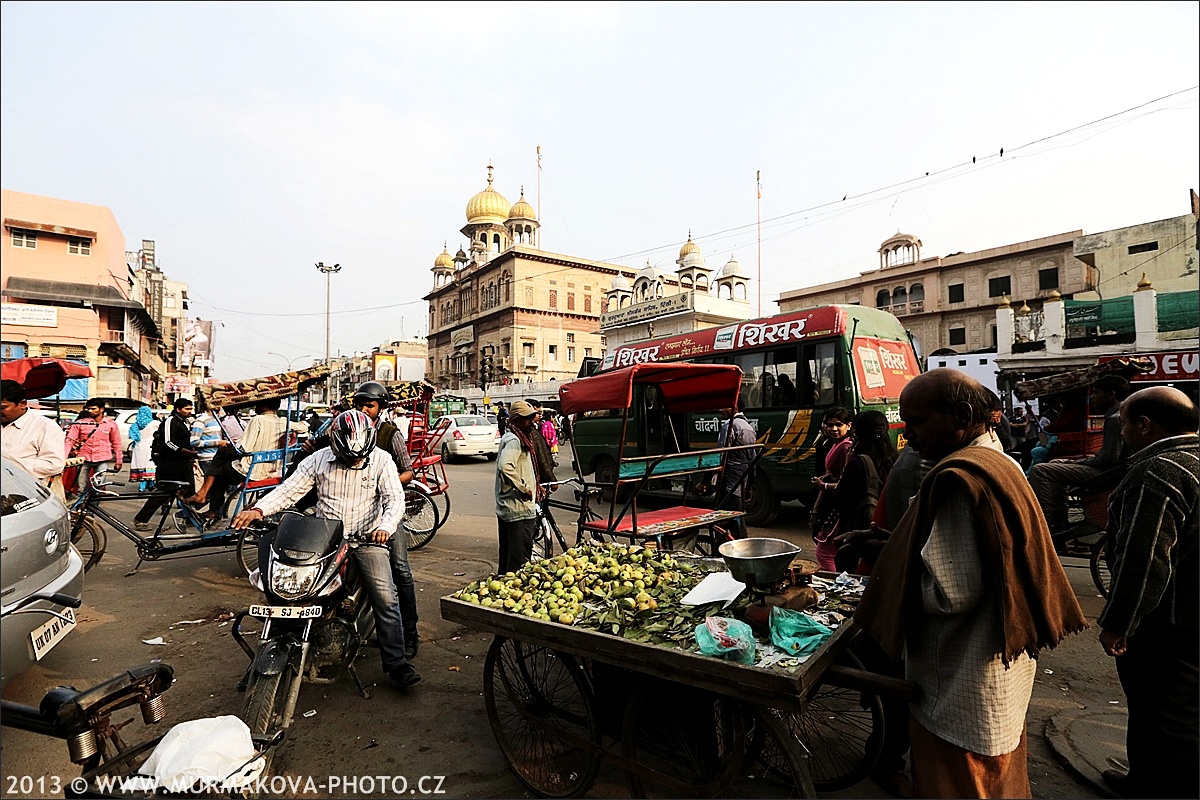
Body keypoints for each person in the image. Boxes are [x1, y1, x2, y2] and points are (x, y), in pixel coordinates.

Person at [853, 368, 1087, 798]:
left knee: (962, 782)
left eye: (918, 423)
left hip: (962, 679)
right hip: (998, 665)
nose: (910, 436)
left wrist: (891, 580)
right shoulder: (1000, 461)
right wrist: (888, 542)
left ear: (961, 416)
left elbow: (949, 593)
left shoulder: (959, 480)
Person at [231, 410, 420, 689]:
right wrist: (259, 509)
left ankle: (396, 663)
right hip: (325, 540)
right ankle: (264, 657)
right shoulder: (318, 460)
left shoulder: (381, 460)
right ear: (335, 445)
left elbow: (394, 500)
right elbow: (289, 491)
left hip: (366, 539)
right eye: (348, 457)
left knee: (386, 598)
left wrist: (385, 527)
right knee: (287, 594)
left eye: (359, 457)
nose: (355, 460)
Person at [1096, 386, 1198, 800]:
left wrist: (1118, 624)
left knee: (1164, 713)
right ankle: (1144, 778)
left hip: (1168, 621)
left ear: (1144, 425)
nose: (1121, 433)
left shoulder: (1158, 472)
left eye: (1123, 425)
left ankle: (1164, 788)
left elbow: (1144, 561)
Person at [1029, 375, 1131, 532]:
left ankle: (1045, 526)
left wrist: (1080, 462)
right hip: (1111, 468)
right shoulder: (1122, 413)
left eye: (1096, 393)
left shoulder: (1115, 419)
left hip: (1107, 473)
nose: (1092, 397)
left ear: (1111, 394)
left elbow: (1107, 459)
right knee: (1054, 464)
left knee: (1040, 470)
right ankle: (1060, 522)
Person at [187, 398, 288, 515]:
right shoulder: (283, 421)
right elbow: (303, 427)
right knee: (221, 467)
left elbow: (245, 448)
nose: (255, 408)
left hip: (252, 470)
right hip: (272, 469)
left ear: (264, 405)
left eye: (257, 404)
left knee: (220, 464)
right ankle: (207, 502)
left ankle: (205, 501)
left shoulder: (257, 420)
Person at [827, 409, 897, 573]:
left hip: (858, 533)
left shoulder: (857, 463)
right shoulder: (894, 459)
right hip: (885, 530)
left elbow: (839, 500)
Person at [133, 397, 197, 531]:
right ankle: (141, 519)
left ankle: (190, 518)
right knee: (164, 492)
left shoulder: (185, 422)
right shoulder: (171, 421)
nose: (189, 411)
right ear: (178, 409)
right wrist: (185, 452)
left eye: (191, 409)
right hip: (169, 462)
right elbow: (168, 442)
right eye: (187, 409)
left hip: (183, 462)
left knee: (189, 490)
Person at [495, 400, 541, 574]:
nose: (531, 422)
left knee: (508, 556)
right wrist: (524, 489)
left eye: (531, 418)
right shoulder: (515, 440)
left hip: (510, 508)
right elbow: (505, 466)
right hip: (518, 509)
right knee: (519, 561)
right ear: (515, 420)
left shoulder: (514, 437)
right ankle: (512, 592)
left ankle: (503, 590)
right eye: (526, 419)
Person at [809, 406, 854, 571]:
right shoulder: (833, 444)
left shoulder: (845, 447)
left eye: (838, 425)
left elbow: (846, 482)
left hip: (838, 505)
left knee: (824, 553)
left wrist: (824, 485)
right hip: (830, 501)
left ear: (848, 425)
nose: (833, 429)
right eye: (830, 425)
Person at [1, 379, 66, 492]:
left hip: (26, 495)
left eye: (2, 408)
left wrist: (10, 467)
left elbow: (54, 464)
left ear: (22, 404)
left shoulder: (45, 427)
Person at [715, 397, 757, 540]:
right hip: (741, 481)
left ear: (735, 407)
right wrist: (749, 485)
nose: (720, 410)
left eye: (723, 407)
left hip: (728, 482)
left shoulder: (730, 426)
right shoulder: (748, 427)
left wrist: (704, 481)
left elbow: (720, 456)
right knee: (736, 518)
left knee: (728, 521)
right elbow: (753, 460)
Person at [64, 398, 123, 496]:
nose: (90, 411)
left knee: (98, 487)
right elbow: (69, 441)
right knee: (80, 487)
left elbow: (117, 443)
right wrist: (64, 458)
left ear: (101, 409)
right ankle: (80, 509)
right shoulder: (80, 423)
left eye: (93, 409)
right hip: (83, 459)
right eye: (89, 409)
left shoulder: (111, 425)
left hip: (102, 459)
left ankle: (93, 508)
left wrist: (119, 461)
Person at [190, 400, 225, 486]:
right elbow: (194, 442)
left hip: (217, 458)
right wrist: (217, 443)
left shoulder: (216, 419)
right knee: (210, 487)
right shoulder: (201, 420)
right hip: (207, 459)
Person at [128, 405, 161, 491]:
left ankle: (148, 485)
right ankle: (144, 485)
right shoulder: (154, 423)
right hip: (150, 446)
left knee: (141, 465)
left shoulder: (135, 425)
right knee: (149, 466)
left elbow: (131, 436)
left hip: (138, 448)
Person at [525, 399, 558, 482]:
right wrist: (551, 478)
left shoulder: (536, 426)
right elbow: (541, 458)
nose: (539, 415)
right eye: (537, 413)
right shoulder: (527, 432)